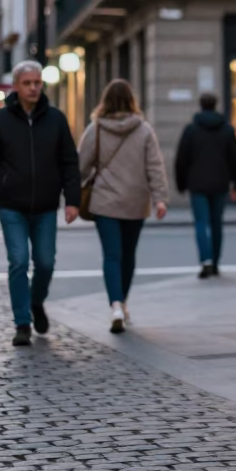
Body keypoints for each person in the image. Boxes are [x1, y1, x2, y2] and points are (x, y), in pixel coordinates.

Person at [0, 60, 82, 346]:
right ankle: (22, 322)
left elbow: (69, 162)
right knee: (19, 261)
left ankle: (36, 302)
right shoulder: (0, 121)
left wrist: (73, 200)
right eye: (28, 83)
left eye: (37, 83)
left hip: (47, 206)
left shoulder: (56, 119)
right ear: (17, 87)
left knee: (45, 263)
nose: (34, 87)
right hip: (11, 205)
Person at [79, 80, 169, 334]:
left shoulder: (95, 129)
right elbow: (155, 167)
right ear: (132, 101)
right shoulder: (144, 130)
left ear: (104, 101)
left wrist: (71, 195)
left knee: (111, 255)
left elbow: (80, 165)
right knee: (128, 255)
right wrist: (160, 198)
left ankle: (115, 305)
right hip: (135, 201)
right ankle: (124, 302)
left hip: (104, 202)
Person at [174, 92, 236, 279]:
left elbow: (181, 159)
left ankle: (205, 260)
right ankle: (216, 260)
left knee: (200, 223)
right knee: (216, 223)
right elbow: (235, 159)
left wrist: (181, 183)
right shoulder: (227, 130)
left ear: (200, 105)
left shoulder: (191, 130)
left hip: (197, 183)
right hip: (220, 182)